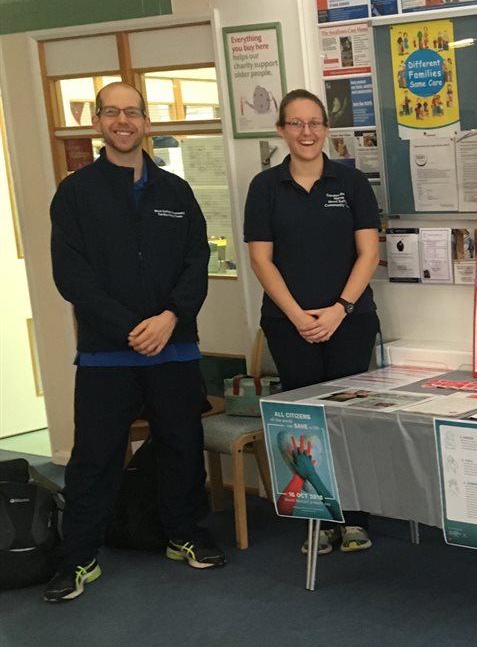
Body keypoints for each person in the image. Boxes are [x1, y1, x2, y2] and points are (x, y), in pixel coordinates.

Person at [45, 82, 225, 602]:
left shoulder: (176, 192)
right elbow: (72, 277)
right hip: (107, 353)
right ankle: (78, 558)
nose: (123, 121)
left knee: (181, 446)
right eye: (112, 112)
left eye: (133, 112)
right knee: (95, 456)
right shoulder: (76, 193)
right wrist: (131, 327)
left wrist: (170, 317)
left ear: (146, 122)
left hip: (175, 345)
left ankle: (184, 535)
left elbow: (198, 262)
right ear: (98, 122)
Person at [243, 89, 381, 556]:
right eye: (296, 123)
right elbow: (261, 260)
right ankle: (320, 520)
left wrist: (340, 308)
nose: (306, 132)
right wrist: (298, 315)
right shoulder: (265, 187)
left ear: (326, 129)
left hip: (351, 318)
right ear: (281, 129)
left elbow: (369, 252)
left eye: (315, 123)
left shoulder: (352, 183)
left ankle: (356, 518)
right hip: (289, 323)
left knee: (347, 417)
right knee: (305, 421)